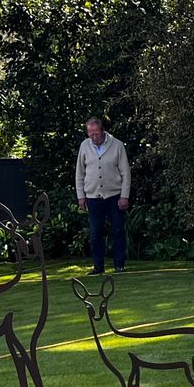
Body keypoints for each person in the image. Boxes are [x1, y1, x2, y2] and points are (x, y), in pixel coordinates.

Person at [75, 115, 132, 274]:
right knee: (95, 234)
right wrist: (81, 196)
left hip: (114, 195)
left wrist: (124, 196)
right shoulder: (84, 146)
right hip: (93, 196)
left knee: (118, 230)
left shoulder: (117, 145)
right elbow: (79, 173)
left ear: (102, 130)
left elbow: (126, 173)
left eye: (96, 134)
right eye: (90, 134)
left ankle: (119, 264)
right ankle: (98, 266)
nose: (93, 137)